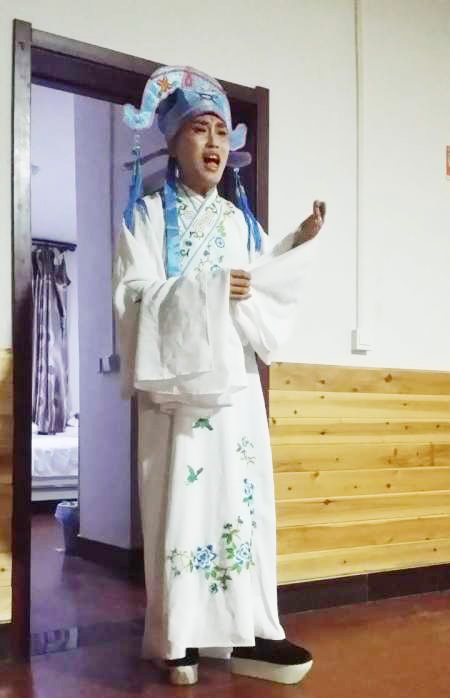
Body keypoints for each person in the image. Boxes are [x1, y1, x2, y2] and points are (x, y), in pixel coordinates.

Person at [113, 65, 326, 686]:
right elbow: (131, 297)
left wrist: (295, 243)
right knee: (182, 506)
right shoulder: (146, 216)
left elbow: (260, 282)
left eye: (222, 132)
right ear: (173, 140)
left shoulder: (237, 222)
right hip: (177, 394)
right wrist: (206, 290)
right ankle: (177, 638)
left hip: (234, 389)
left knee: (242, 503)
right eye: (199, 129)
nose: (213, 143)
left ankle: (251, 628)